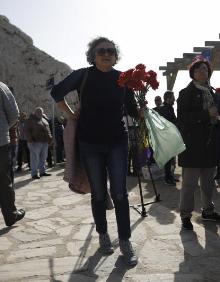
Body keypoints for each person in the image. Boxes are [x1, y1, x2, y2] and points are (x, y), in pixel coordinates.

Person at [51, 36, 138, 266]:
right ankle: (103, 235)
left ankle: (126, 241)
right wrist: (69, 113)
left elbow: (132, 109)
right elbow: (57, 92)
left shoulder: (123, 78)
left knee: (120, 194)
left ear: (115, 55)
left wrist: (142, 100)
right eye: (101, 51)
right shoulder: (83, 75)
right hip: (90, 144)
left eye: (110, 50)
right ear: (93, 55)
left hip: (118, 141)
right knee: (98, 193)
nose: (106, 53)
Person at [177, 56, 220, 231]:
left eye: (205, 69)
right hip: (193, 146)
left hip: (210, 145)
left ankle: (208, 211)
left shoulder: (213, 92)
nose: (202, 71)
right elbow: (182, 118)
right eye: (198, 69)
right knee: (189, 185)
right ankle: (186, 216)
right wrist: (206, 114)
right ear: (192, 73)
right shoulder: (185, 93)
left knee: (208, 183)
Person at [0, 82, 25, 226]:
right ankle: (10, 215)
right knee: (4, 181)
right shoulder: (1, 87)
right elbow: (14, 115)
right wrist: (3, 129)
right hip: (1, 143)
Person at [25, 107, 52, 179]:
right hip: (34, 142)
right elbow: (26, 130)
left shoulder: (44, 120)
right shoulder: (30, 120)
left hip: (44, 142)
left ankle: (42, 172)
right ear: (35, 112)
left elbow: (48, 130)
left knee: (43, 158)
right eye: (38, 112)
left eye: (41, 112)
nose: (40, 113)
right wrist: (30, 139)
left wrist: (50, 139)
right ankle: (34, 174)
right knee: (35, 158)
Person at [157, 91, 178, 185]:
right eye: (173, 97)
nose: (174, 99)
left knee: (171, 158)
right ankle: (167, 178)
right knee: (168, 159)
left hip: (169, 136)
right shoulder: (164, 108)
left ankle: (170, 176)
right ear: (168, 98)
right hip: (166, 136)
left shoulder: (169, 107)